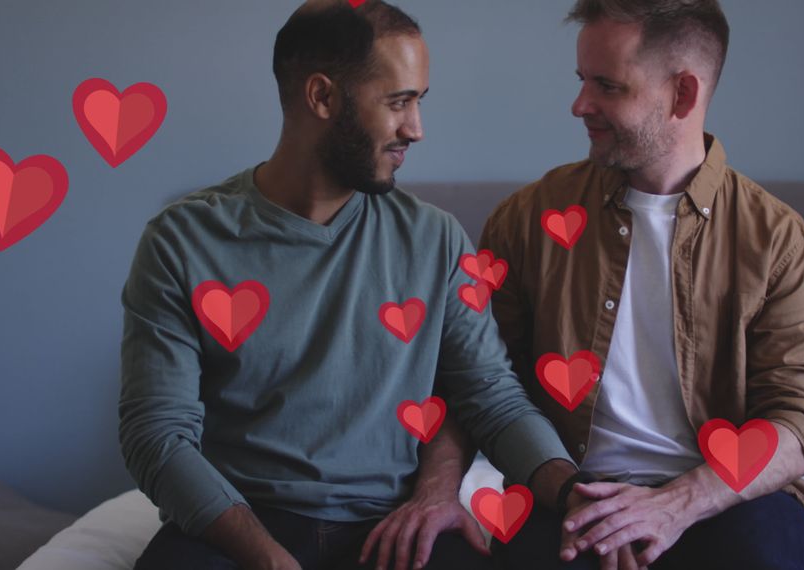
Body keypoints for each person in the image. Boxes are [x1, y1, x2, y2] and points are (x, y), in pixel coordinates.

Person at [118, 2, 578, 569]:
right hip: (238, 526)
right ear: (322, 97)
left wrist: (570, 489)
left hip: (391, 529)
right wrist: (266, 557)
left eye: (419, 101)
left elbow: (491, 397)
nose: (416, 129)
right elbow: (156, 435)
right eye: (398, 102)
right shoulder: (182, 241)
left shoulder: (435, 239)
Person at [477, 0, 804, 568]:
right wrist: (573, 494)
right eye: (582, 80)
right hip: (572, 491)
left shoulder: (776, 240)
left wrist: (678, 504)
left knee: (777, 553)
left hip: (725, 497)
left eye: (607, 86)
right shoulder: (527, 219)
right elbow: (486, 382)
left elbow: (799, 418)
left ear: (683, 94)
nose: (579, 104)